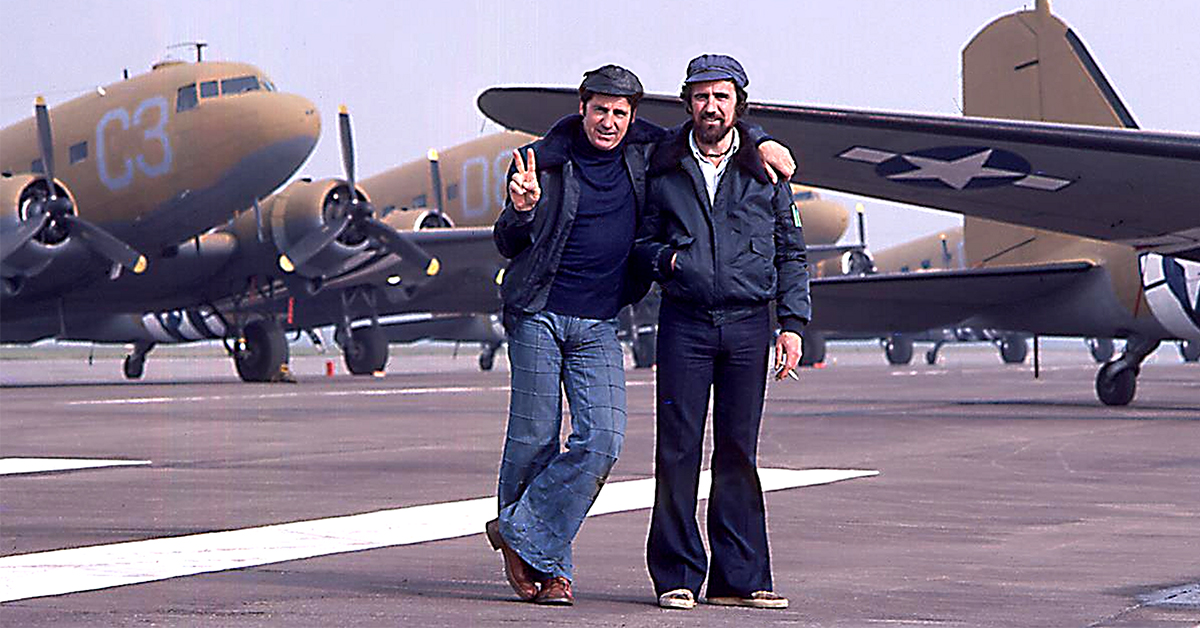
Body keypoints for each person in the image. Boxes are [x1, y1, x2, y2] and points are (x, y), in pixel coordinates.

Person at [487, 64, 796, 606]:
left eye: (620, 112)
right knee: (535, 440)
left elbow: (723, 135)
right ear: (581, 108)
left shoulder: (651, 153)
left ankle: (520, 532)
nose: (609, 121)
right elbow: (510, 242)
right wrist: (523, 208)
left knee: (603, 441)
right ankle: (551, 567)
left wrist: (765, 141)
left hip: (603, 318)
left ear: (633, 117)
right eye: (599, 109)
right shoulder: (547, 161)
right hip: (540, 311)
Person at [633, 54, 811, 611]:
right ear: (687, 103)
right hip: (684, 324)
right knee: (678, 449)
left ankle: (740, 577)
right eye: (702, 96)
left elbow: (791, 250)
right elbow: (640, 244)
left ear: (739, 103)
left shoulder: (765, 169)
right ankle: (677, 575)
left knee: (739, 450)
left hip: (748, 326)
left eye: (722, 97)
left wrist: (792, 325)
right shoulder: (662, 168)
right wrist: (670, 262)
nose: (712, 107)